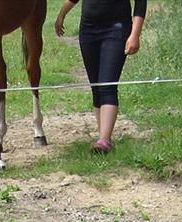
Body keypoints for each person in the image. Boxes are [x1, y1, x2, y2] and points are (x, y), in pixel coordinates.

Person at [54, 0, 147, 153]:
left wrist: (135, 34)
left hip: (116, 28)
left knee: (107, 85)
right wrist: (62, 14)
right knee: (96, 87)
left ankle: (104, 140)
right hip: (88, 30)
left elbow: (141, 3)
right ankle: (103, 138)